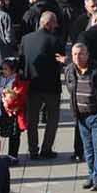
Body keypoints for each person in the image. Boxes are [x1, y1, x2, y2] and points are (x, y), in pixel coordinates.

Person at [64, 41, 97, 193]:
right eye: (74, 54)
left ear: (87, 54)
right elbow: (70, 88)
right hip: (81, 116)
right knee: (88, 149)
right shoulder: (70, 70)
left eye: (81, 54)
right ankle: (91, 175)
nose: (77, 57)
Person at [19, 11, 66, 160]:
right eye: (54, 22)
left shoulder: (26, 39)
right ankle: (46, 149)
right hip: (51, 86)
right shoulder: (55, 41)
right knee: (52, 119)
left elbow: (21, 60)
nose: (57, 25)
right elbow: (60, 62)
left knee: (32, 119)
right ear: (47, 24)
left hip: (32, 85)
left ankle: (33, 149)